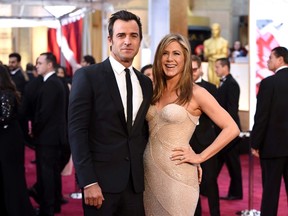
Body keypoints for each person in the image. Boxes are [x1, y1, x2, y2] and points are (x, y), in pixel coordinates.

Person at [143, 33, 240, 215]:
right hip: (148, 175)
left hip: (178, 176)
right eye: (165, 53)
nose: (170, 58)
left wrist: (200, 157)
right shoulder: (152, 89)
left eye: (176, 53)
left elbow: (232, 128)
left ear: (186, 58)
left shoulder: (196, 93)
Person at [68, 10, 153, 216]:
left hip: (135, 185)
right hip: (100, 185)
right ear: (110, 39)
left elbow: (143, 132)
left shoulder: (145, 82)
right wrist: (88, 181)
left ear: (140, 40)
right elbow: (77, 132)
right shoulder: (88, 76)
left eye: (133, 36)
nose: (127, 41)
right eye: (121, 35)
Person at [250, 46, 288, 216]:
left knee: (270, 193)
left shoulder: (268, 83)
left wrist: (255, 143)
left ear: (280, 59)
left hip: (272, 147)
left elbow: (262, 117)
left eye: (270, 57)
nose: (267, 61)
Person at [32, 52, 67, 215]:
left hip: (48, 138)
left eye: (39, 63)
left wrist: (35, 131)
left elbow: (44, 113)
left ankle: (48, 209)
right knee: (52, 173)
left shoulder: (51, 84)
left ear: (49, 65)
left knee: (47, 175)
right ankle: (54, 205)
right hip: (53, 137)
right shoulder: (55, 82)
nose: (36, 66)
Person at [0, 65, 35, 216]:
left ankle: (15, 209)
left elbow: (4, 117)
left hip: (8, 140)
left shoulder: (6, 94)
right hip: (7, 137)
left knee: (10, 175)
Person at [189, 55, 220, 216]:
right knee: (191, 184)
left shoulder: (211, 88)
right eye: (189, 70)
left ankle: (215, 213)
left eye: (194, 69)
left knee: (211, 181)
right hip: (187, 141)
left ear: (200, 68)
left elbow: (219, 114)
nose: (192, 73)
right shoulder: (180, 88)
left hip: (207, 141)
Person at [214, 57, 243, 200]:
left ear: (225, 67)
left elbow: (232, 109)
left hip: (229, 131)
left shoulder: (231, 84)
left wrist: (227, 128)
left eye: (217, 67)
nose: (215, 69)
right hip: (223, 130)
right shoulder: (225, 83)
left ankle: (236, 193)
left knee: (233, 164)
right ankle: (208, 187)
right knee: (220, 162)